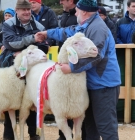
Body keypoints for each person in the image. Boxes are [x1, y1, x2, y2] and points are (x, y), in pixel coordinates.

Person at [36, 0, 121, 140]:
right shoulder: (87, 25)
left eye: (77, 10)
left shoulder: (98, 28)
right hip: (93, 83)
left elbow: (96, 56)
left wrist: (72, 68)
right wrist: (47, 33)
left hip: (104, 85)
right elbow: (68, 32)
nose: (75, 12)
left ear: (84, 12)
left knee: (106, 127)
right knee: (90, 126)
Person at [0, 0, 49, 140]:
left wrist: (26, 51)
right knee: (9, 100)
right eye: (23, 9)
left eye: (28, 9)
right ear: (16, 10)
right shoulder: (7, 24)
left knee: (32, 100)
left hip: (31, 69)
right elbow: (10, 43)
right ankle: (9, 135)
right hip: (9, 66)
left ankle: (34, 134)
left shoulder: (39, 26)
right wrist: (32, 39)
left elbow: (44, 46)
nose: (26, 12)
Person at [56, 0, 78, 140]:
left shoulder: (80, 16)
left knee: (77, 100)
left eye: (63, 0)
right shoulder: (63, 15)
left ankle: (82, 134)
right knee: (64, 99)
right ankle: (63, 135)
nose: (60, 2)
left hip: (77, 64)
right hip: (63, 62)